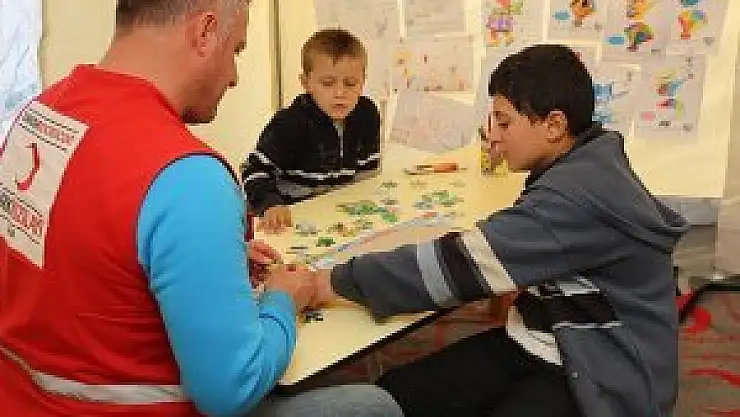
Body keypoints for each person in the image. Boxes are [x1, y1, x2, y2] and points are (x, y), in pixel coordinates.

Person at [0, 1, 401, 417]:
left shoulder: (38, 115)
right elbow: (233, 389)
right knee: (375, 406)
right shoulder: (187, 175)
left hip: (19, 399)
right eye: (236, 50)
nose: (234, 76)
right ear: (206, 32)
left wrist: (201, 259)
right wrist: (284, 299)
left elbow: (79, 242)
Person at [309, 44, 689, 417]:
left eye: (504, 122)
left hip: (599, 371)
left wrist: (324, 283)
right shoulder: (590, 161)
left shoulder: (571, 197)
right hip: (546, 340)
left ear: (554, 125)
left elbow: (456, 267)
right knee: (394, 395)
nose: (494, 135)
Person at [241, 28, 381, 233]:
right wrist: (270, 204)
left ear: (363, 82)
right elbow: (254, 171)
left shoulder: (367, 115)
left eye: (351, 83)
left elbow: (366, 176)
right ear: (306, 83)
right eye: (328, 83)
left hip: (338, 220)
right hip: (290, 219)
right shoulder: (289, 123)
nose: (340, 93)